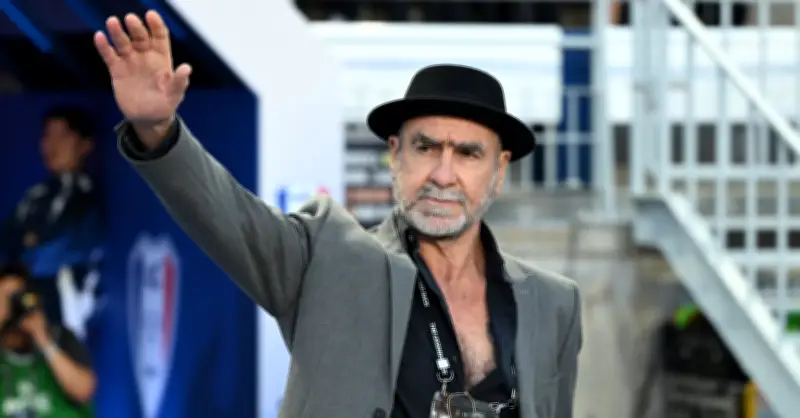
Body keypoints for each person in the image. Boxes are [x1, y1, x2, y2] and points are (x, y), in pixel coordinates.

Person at [93, 10, 582, 418]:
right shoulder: (325, 257)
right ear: (395, 154)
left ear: (499, 170)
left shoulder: (554, 303)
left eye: (469, 154)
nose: (443, 174)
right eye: (426, 147)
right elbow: (227, 215)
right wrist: (158, 130)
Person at [0, 107, 103, 329]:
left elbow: (64, 248)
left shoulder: (82, 193)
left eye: (62, 136)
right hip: (24, 313)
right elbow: (8, 238)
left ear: (85, 145)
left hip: (62, 318)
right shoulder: (37, 194)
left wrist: (20, 268)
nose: (52, 145)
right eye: (48, 136)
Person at [0, 262, 95, 417]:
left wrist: (43, 339)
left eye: (16, 296)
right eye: (5, 298)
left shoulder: (59, 337)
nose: (12, 306)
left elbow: (84, 391)